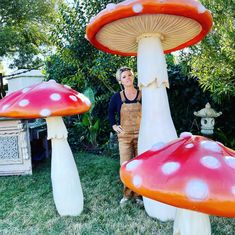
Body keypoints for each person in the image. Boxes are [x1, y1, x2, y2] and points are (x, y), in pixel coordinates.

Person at [108, 66, 143, 205]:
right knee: (126, 165)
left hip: (142, 135)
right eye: (124, 77)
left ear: (133, 77)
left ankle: (139, 195)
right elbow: (110, 113)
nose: (127, 78)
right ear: (120, 81)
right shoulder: (117, 97)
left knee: (140, 165)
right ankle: (127, 195)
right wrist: (114, 125)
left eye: (129, 75)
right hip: (124, 137)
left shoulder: (142, 94)